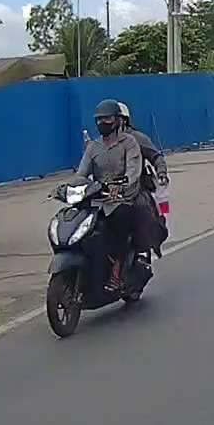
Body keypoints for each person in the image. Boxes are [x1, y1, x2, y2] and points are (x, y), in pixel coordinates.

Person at [75, 99, 143, 290]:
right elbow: (81, 174)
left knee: (120, 221)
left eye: (107, 119)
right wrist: (70, 188)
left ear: (118, 121)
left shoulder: (128, 143)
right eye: (99, 120)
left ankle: (117, 269)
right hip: (98, 199)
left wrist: (122, 185)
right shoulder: (93, 147)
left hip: (122, 198)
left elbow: (133, 171)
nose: (102, 123)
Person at [117, 101, 169, 255]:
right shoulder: (101, 143)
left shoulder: (137, 138)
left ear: (124, 120)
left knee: (142, 210)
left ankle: (143, 249)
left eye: (113, 119)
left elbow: (156, 157)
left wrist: (161, 172)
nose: (107, 123)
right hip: (108, 189)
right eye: (103, 120)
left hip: (135, 187)